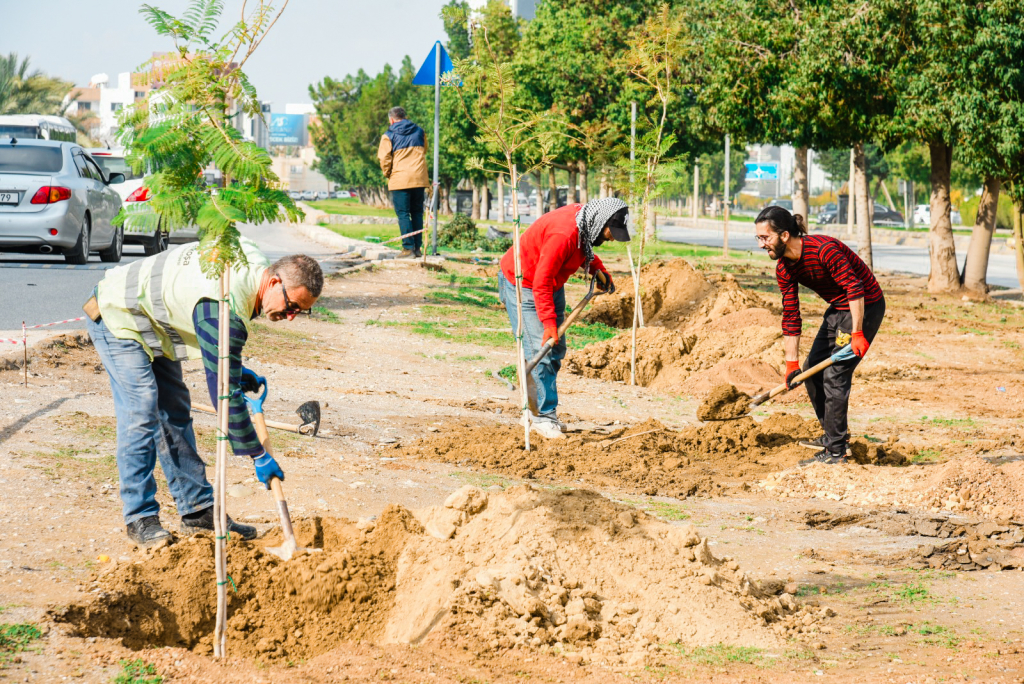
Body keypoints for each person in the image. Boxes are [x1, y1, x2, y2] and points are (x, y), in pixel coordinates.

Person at [83, 238, 323, 548]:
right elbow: (223, 393)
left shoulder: (252, 264)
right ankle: (140, 517)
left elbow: (219, 355)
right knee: (142, 409)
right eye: (291, 306)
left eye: (301, 312)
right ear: (275, 281)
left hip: (153, 323)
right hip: (118, 312)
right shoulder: (223, 303)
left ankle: (197, 512)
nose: (291, 316)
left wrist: (231, 367)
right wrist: (258, 454)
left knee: (175, 409)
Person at [754, 205, 885, 464]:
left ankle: (835, 452)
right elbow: (791, 314)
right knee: (810, 371)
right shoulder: (784, 269)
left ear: (784, 235)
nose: (761, 245)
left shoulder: (824, 250)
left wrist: (857, 333)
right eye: (758, 238)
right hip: (839, 308)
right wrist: (791, 363)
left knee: (835, 374)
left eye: (765, 238)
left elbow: (855, 288)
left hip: (865, 305)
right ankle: (835, 436)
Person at [498, 198, 630, 439]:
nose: (612, 238)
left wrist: (598, 270)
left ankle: (538, 411)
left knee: (555, 350)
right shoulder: (564, 234)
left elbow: (582, 251)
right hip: (525, 283)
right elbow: (541, 280)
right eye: (612, 232)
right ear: (600, 222)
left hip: (550, 283)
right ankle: (541, 417)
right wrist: (548, 323)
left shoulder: (584, 223)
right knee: (542, 350)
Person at [377, 106, 429, 258]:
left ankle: (408, 249)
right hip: (419, 179)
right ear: (405, 117)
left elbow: (384, 159)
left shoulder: (388, 135)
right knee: (417, 213)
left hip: (400, 180)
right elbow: (424, 150)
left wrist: (388, 173)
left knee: (403, 214)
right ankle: (418, 249)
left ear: (391, 119)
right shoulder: (420, 131)